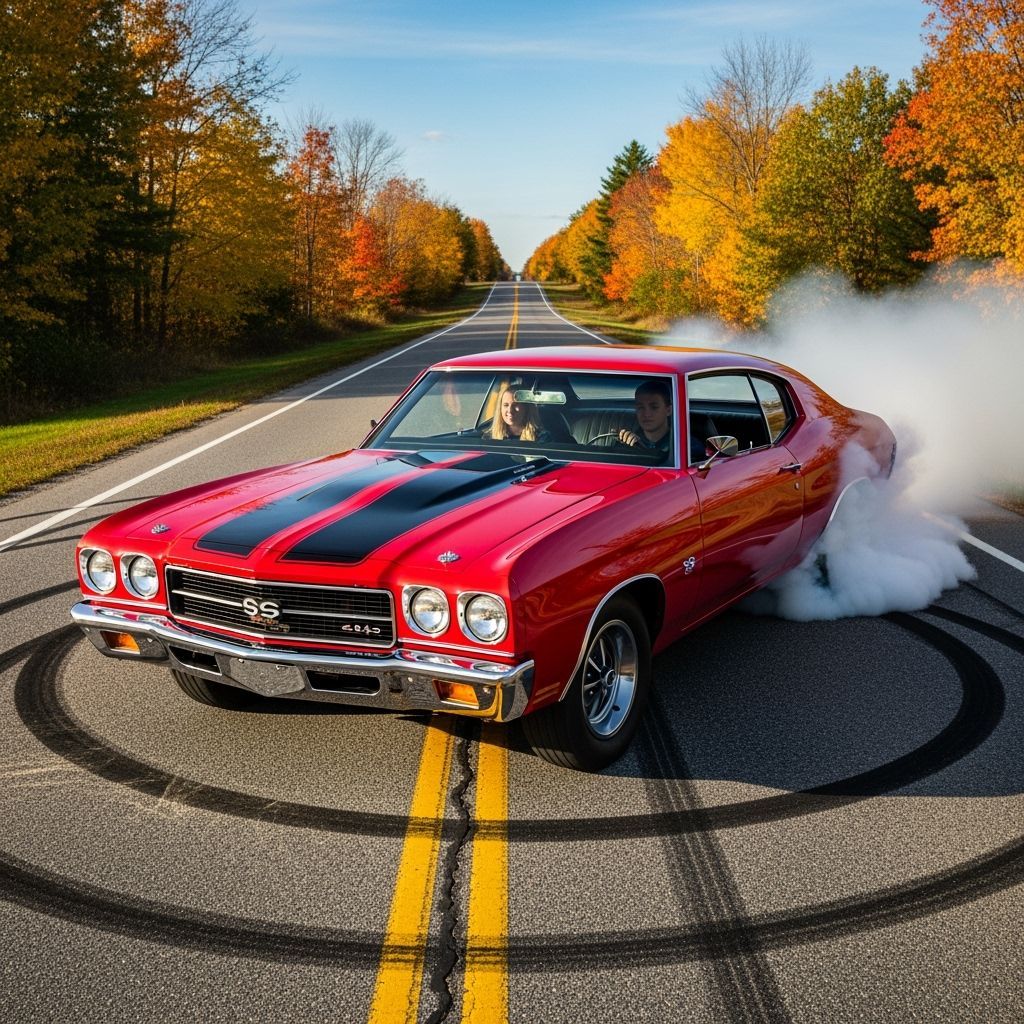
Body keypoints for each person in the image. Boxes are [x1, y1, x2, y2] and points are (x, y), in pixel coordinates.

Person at [618, 379, 672, 454]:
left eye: (654, 407)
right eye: (641, 407)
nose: (646, 414)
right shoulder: (625, 443)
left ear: (668, 410)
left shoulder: (681, 445)